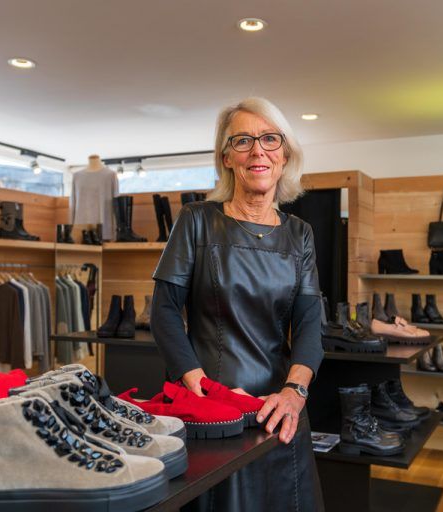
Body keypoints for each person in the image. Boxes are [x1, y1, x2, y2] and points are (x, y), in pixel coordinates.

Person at [151, 97, 325, 511]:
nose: (257, 151)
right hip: (211, 412)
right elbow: (164, 312)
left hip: (278, 409)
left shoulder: (300, 234)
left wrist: (295, 393)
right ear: (227, 158)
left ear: (284, 155)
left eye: (269, 139)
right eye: (243, 140)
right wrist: (203, 390)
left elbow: (309, 322)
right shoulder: (196, 220)